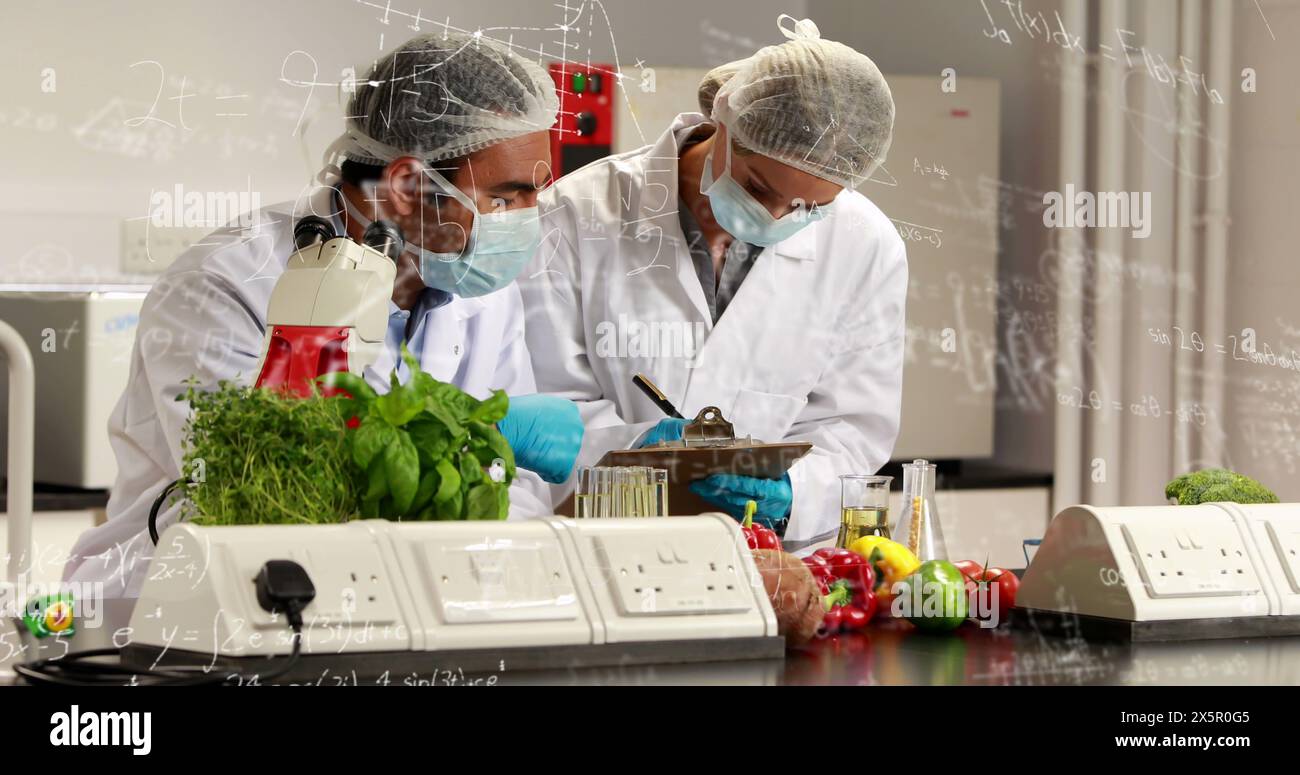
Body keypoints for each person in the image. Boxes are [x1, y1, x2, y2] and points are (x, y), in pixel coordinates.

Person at [65, 32, 584, 597]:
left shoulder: (478, 284)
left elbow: (516, 489)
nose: (528, 220)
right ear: (408, 186)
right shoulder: (226, 283)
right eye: (506, 199)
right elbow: (264, 481)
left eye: (536, 193)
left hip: (405, 602)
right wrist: (467, 427)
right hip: (186, 602)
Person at [519, 15, 906, 550]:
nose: (774, 217)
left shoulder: (865, 243)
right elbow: (539, 402)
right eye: (758, 187)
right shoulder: (574, 215)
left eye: (807, 207)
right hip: (601, 544)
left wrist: (793, 491)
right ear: (724, 122)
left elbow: (853, 426)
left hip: (766, 558)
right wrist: (635, 449)